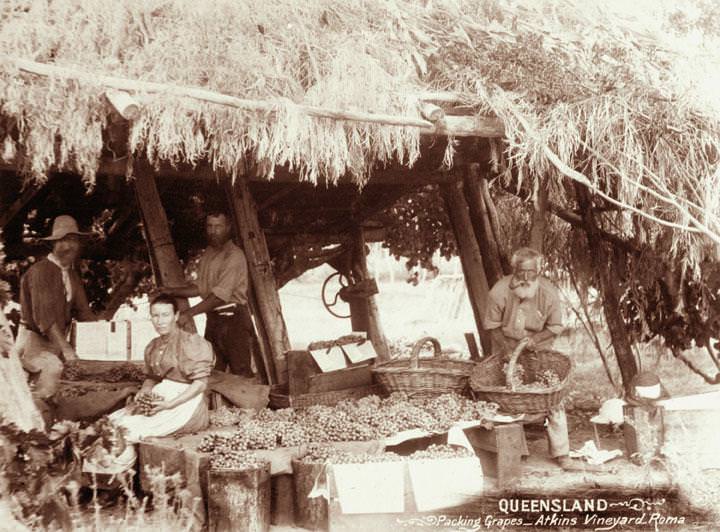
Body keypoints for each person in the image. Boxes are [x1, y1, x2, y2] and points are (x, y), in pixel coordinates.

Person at [483, 247, 575, 469]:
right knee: (507, 394)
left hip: (540, 346)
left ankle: (561, 453)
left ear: (538, 271)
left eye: (531, 273)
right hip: (507, 344)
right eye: (521, 272)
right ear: (513, 270)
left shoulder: (549, 293)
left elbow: (554, 327)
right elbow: (492, 326)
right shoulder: (499, 291)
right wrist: (507, 350)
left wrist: (536, 340)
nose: (525, 278)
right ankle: (515, 448)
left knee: (552, 393)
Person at [107, 294, 215, 443]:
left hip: (186, 403)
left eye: (165, 315)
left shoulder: (191, 342)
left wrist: (170, 404)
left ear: (176, 316)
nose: (160, 321)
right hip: (160, 398)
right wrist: (145, 389)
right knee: (111, 424)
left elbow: (200, 384)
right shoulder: (153, 345)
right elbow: (153, 377)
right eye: (155, 316)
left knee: (127, 432)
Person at [160, 209, 254, 377]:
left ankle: (250, 404)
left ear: (228, 227)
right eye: (210, 226)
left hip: (234, 321)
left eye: (218, 226)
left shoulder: (234, 256)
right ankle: (220, 405)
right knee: (210, 371)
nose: (213, 231)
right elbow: (201, 288)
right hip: (214, 320)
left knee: (241, 373)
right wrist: (171, 291)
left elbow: (219, 296)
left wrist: (189, 313)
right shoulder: (209, 253)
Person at [15, 215, 97, 405]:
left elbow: (84, 312)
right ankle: (35, 431)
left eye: (73, 240)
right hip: (34, 343)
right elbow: (45, 319)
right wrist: (66, 349)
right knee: (45, 383)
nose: (69, 246)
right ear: (53, 244)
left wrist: (103, 336)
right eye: (63, 241)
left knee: (62, 391)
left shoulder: (71, 274)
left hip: (56, 343)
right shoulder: (41, 271)